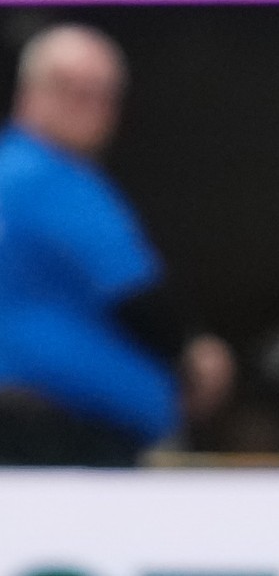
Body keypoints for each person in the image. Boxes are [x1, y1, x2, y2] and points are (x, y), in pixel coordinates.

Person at [0, 23, 235, 466]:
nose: (85, 105)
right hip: (54, 426)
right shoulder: (50, 178)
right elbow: (137, 297)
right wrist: (195, 357)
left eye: (101, 93)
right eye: (68, 87)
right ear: (28, 91)